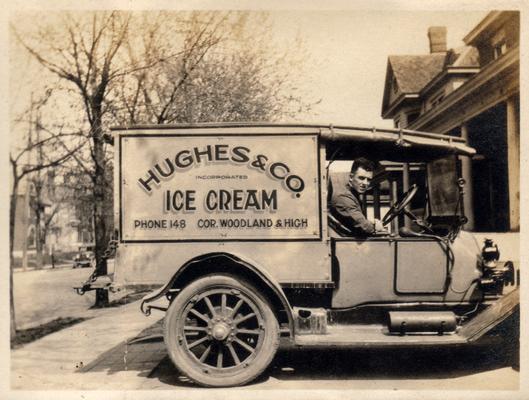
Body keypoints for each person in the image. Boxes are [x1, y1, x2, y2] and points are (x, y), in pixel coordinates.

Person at [330, 157, 386, 236]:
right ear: (351, 177)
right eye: (361, 178)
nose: (365, 183)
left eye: (368, 180)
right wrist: (375, 226)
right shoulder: (343, 197)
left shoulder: (352, 194)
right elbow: (364, 227)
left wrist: (371, 222)